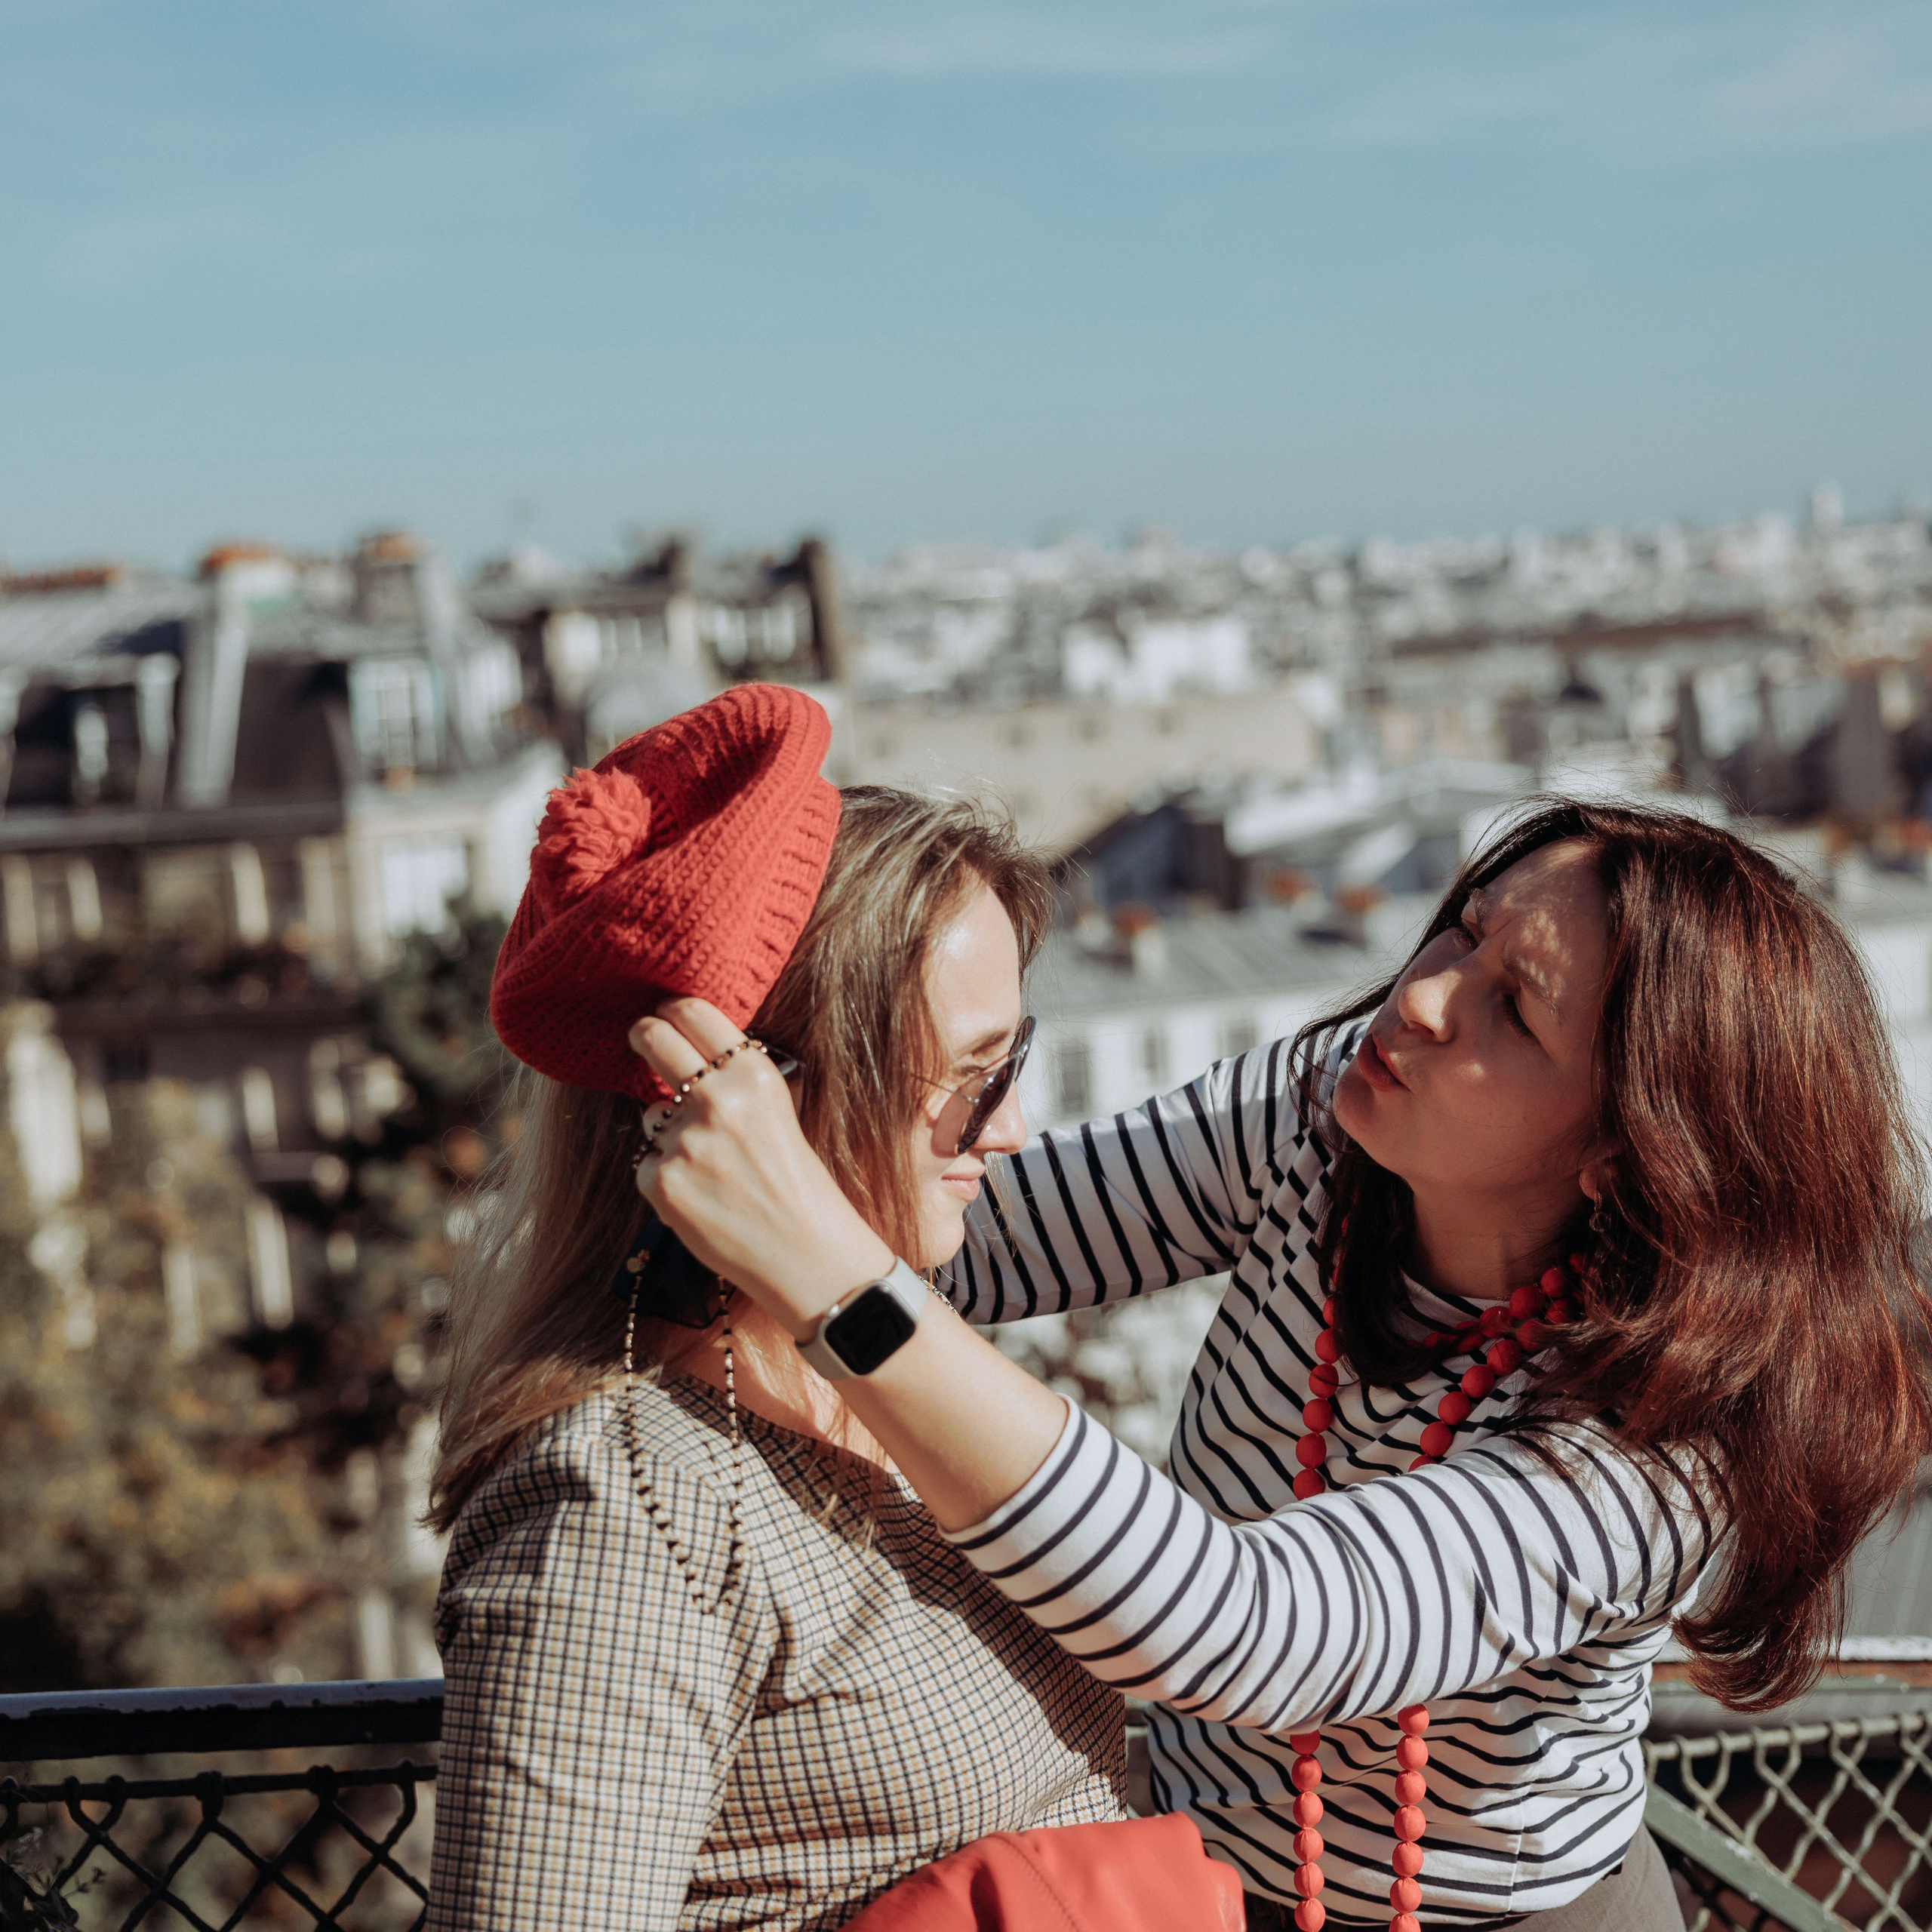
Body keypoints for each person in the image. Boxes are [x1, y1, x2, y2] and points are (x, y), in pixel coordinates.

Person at [631, 797, 1932, 1930]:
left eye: (1513, 1013)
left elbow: (1252, 1631)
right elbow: (980, 1238)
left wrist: (832, 1284)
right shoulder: (1332, 1112)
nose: (1420, 996)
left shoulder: (1663, 1442)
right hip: (1200, 1884)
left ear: (1625, 1152)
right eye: (1465, 930)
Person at [424, 686, 1135, 1932]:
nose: (1010, 1130)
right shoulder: (625, 1509)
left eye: (1011, 1066)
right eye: (972, 1080)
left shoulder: (888, 1380)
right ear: (745, 1098)